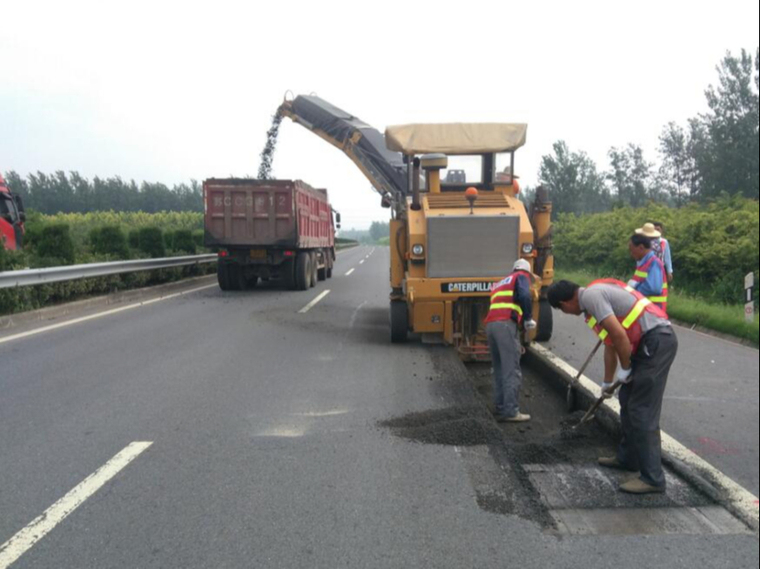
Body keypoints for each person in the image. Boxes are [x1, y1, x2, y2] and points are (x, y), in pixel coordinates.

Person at [547, 279, 678, 495]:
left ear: (565, 302)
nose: (566, 313)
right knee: (626, 399)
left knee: (641, 409)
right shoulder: (591, 302)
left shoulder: (591, 296)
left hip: (656, 342)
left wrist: (626, 368)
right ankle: (628, 458)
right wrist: (608, 383)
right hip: (646, 343)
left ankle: (653, 479)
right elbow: (611, 344)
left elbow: (619, 334)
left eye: (562, 309)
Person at [485, 259, 536, 423]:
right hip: (505, 325)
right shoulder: (521, 276)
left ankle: (500, 407)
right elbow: (525, 295)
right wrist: (528, 318)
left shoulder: (500, 283)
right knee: (511, 369)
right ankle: (511, 411)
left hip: (491, 326)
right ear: (526, 272)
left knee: (499, 369)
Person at [628, 232, 669, 315]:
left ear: (641, 248)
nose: (631, 254)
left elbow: (654, 288)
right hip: (647, 310)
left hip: (654, 311)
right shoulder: (643, 263)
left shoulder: (654, 263)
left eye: (632, 251)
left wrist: (634, 289)